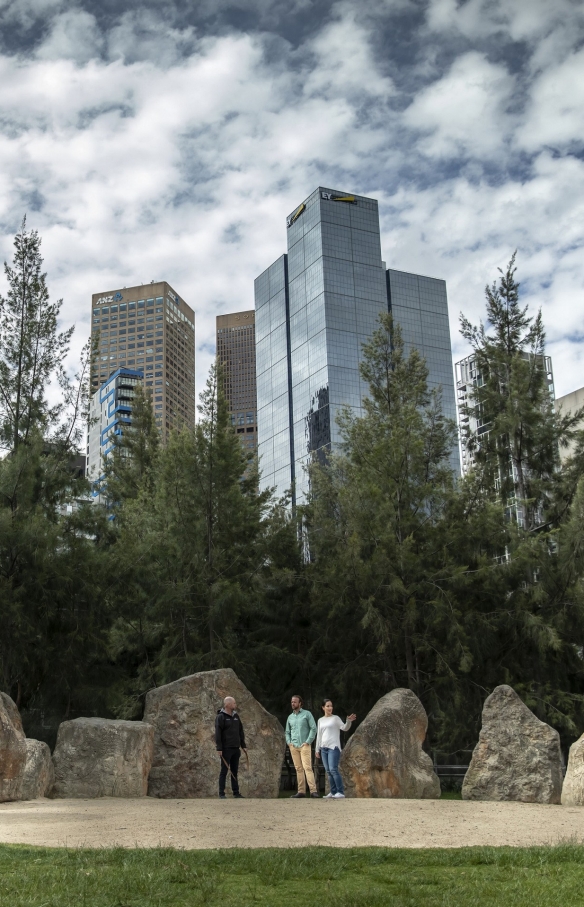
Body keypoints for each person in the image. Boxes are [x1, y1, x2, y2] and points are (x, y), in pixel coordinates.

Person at [315, 699, 356, 799]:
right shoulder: (320, 720)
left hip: (333, 747)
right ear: (323, 707)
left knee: (333, 769)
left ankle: (340, 792)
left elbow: (345, 728)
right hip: (323, 748)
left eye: (331, 706)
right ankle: (333, 792)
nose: (330, 708)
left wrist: (348, 721)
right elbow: (319, 736)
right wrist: (317, 749)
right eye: (328, 706)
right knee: (328, 771)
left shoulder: (335, 718)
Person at [286, 695, 319, 798]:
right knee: (298, 769)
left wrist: (308, 741)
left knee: (307, 768)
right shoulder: (290, 717)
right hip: (294, 746)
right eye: (292, 702)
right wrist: (289, 742)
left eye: (295, 702)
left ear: (300, 703)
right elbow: (287, 732)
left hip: (304, 745)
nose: (293, 703)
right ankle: (301, 791)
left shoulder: (307, 714)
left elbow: (313, 728)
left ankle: (313, 791)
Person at [215, 695, 247, 799]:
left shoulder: (236, 716)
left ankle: (236, 792)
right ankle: (221, 793)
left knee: (235, 771)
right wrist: (219, 748)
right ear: (228, 704)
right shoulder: (221, 717)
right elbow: (218, 733)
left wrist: (243, 745)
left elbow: (240, 731)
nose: (235, 705)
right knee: (224, 771)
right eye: (234, 703)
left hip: (235, 748)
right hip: (226, 749)